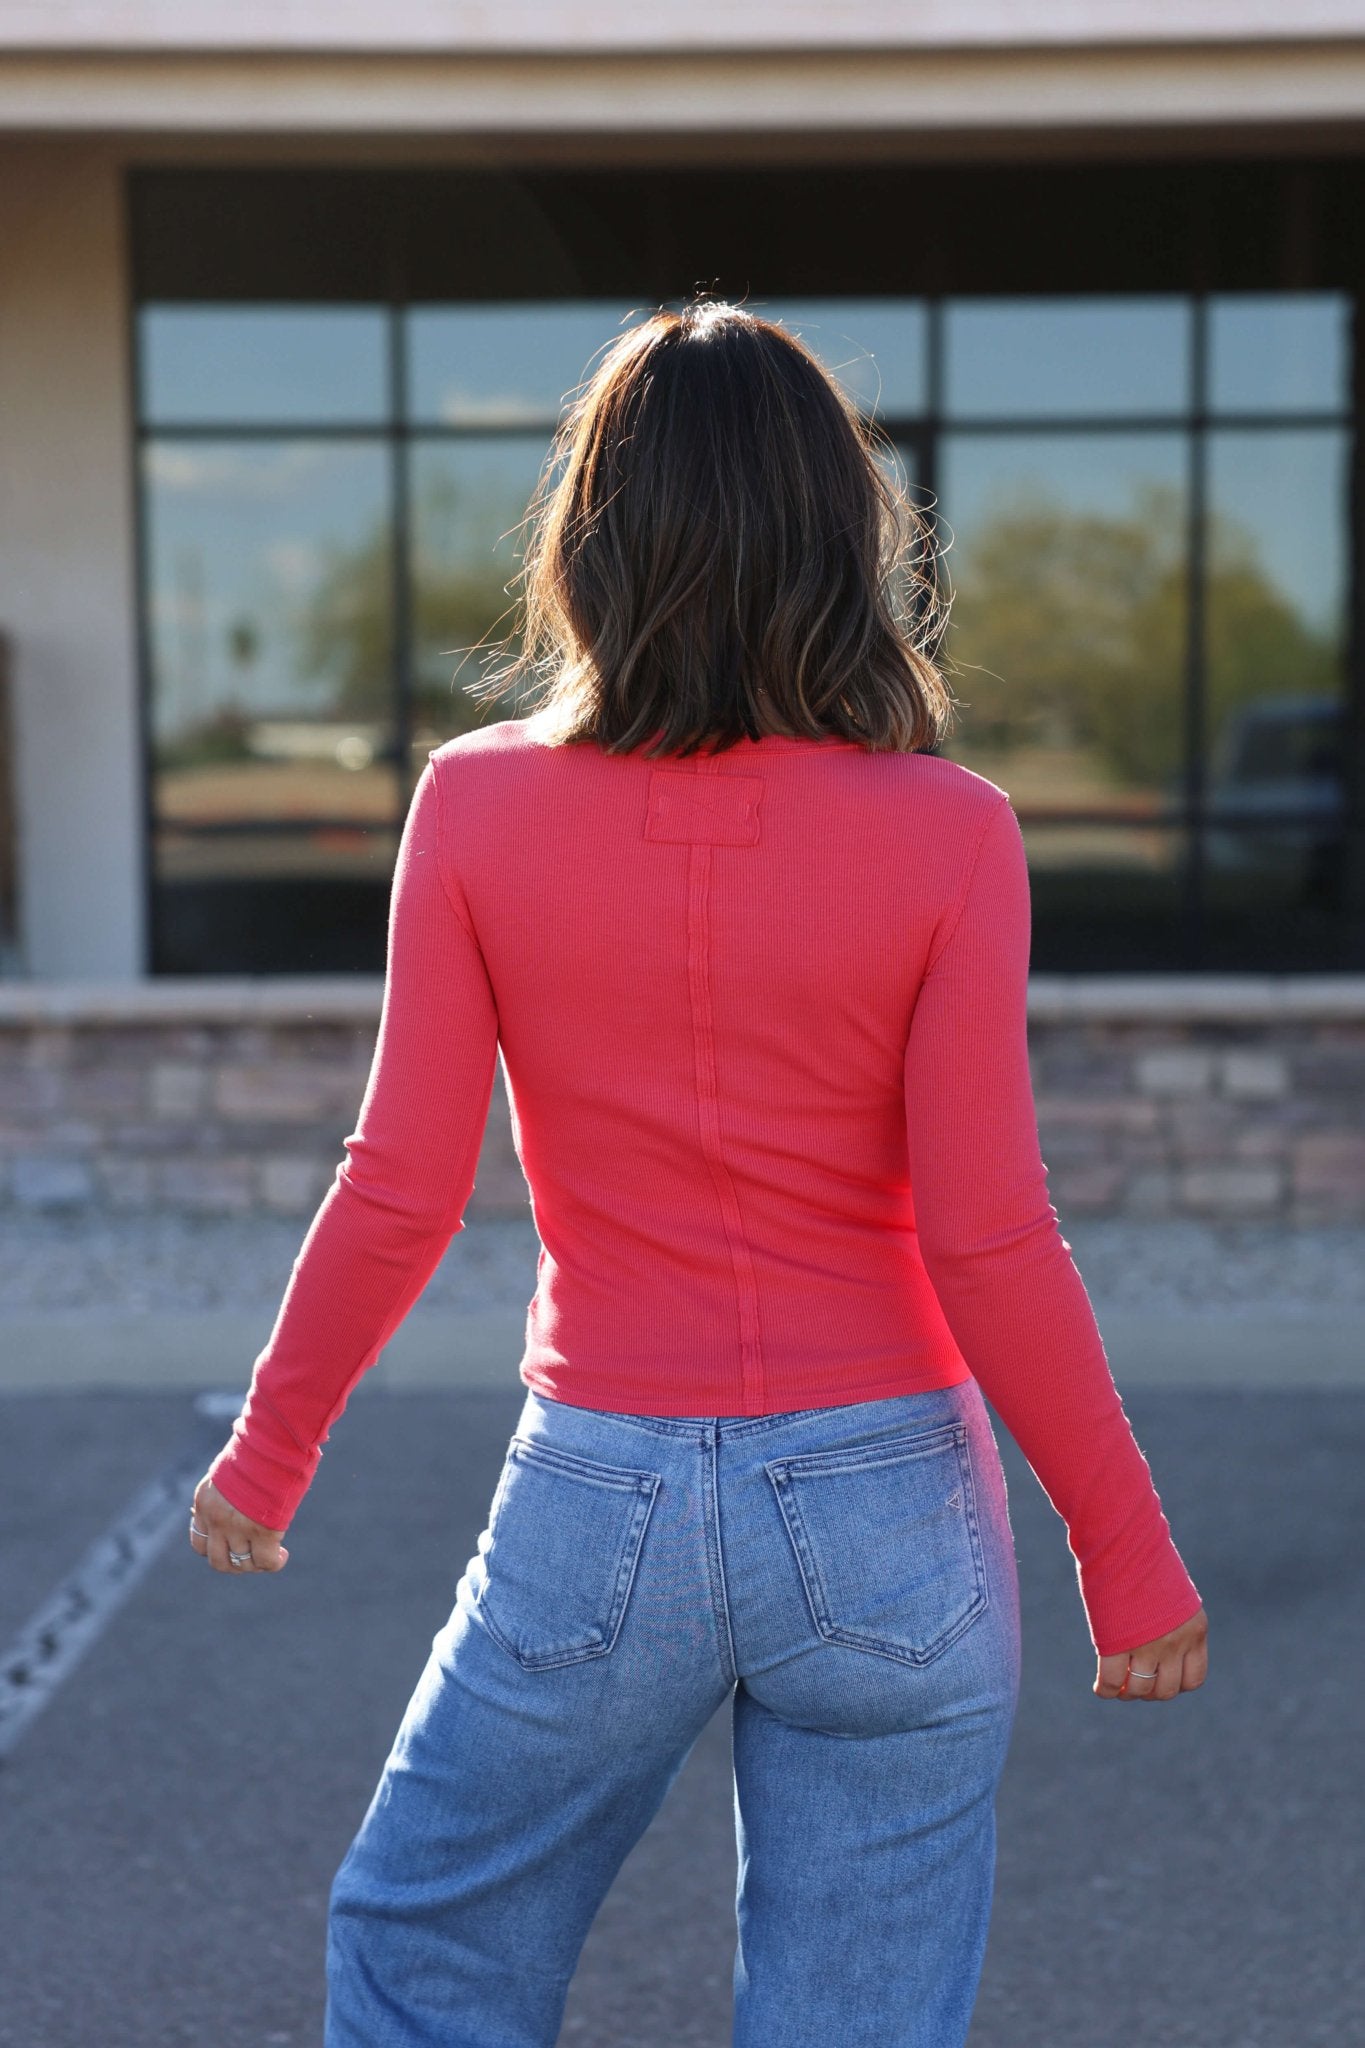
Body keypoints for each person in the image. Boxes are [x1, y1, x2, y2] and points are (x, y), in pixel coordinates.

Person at [188, 296, 1208, 2048]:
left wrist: (272, 1451)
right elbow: (988, 1234)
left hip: (601, 1504)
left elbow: (400, 1183)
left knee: (425, 1956)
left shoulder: (473, 806)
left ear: (593, 541)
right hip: (896, 1508)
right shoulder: (952, 830)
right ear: (842, 538)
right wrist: (1129, 1555)